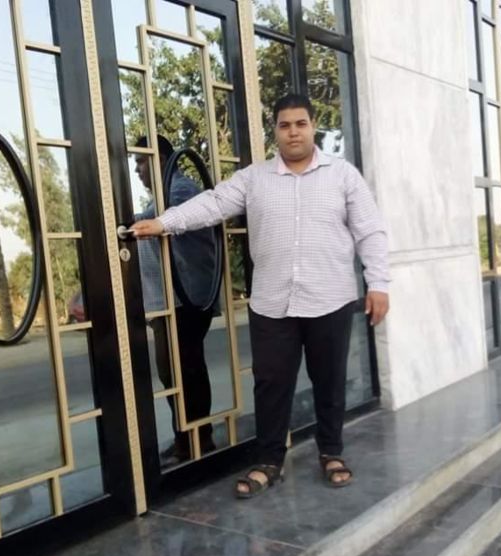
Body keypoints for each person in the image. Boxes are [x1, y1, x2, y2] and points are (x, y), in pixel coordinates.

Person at [132, 94, 390, 496]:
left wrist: (378, 284)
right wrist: (164, 223)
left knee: (329, 380)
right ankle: (269, 461)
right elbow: (213, 204)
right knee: (270, 384)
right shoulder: (254, 178)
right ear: (276, 132)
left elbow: (369, 231)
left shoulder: (343, 176)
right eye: (285, 125)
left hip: (330, 298)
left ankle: (331, 452)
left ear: (312, 127)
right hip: (272, 303)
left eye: (300, 124)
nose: (293, 132)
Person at [133, 134, 217, 463]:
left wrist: (128, 223)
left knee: (183, 372)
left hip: (184, 302)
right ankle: (189, 438)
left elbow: (168, 217)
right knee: (177, 373)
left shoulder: (181, 190)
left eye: (141, 161)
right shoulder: (162, 196)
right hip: (169, 302)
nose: (137, 169)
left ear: (163, 159)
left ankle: (195, 441)